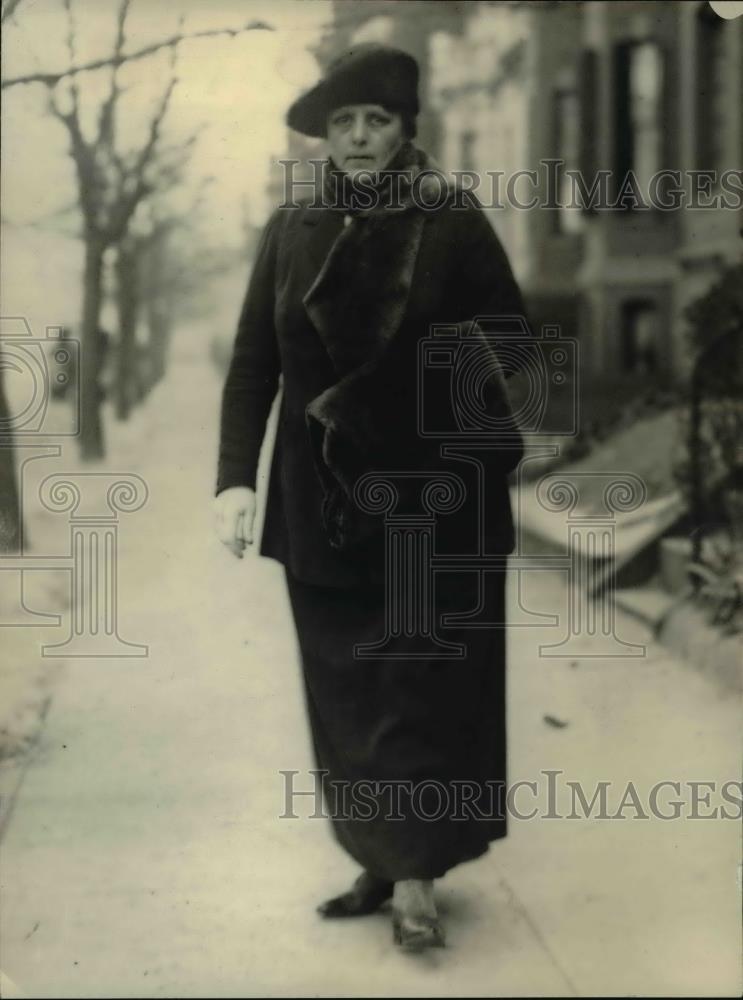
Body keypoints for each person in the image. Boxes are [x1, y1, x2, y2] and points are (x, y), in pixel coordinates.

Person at [214, 44, 533, 952]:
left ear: (404, 132)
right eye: (344, 122)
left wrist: (403, 402)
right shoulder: (290, 229)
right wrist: (234, 480)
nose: (358, 137)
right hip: (318, 505)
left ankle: (418, 876)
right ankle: (380, 852)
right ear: (323, 135)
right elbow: (252, 367)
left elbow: (509, 345)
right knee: (344, 687)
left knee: (417, 684)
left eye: (377, 122)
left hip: (431, 497)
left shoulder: (451, 221)